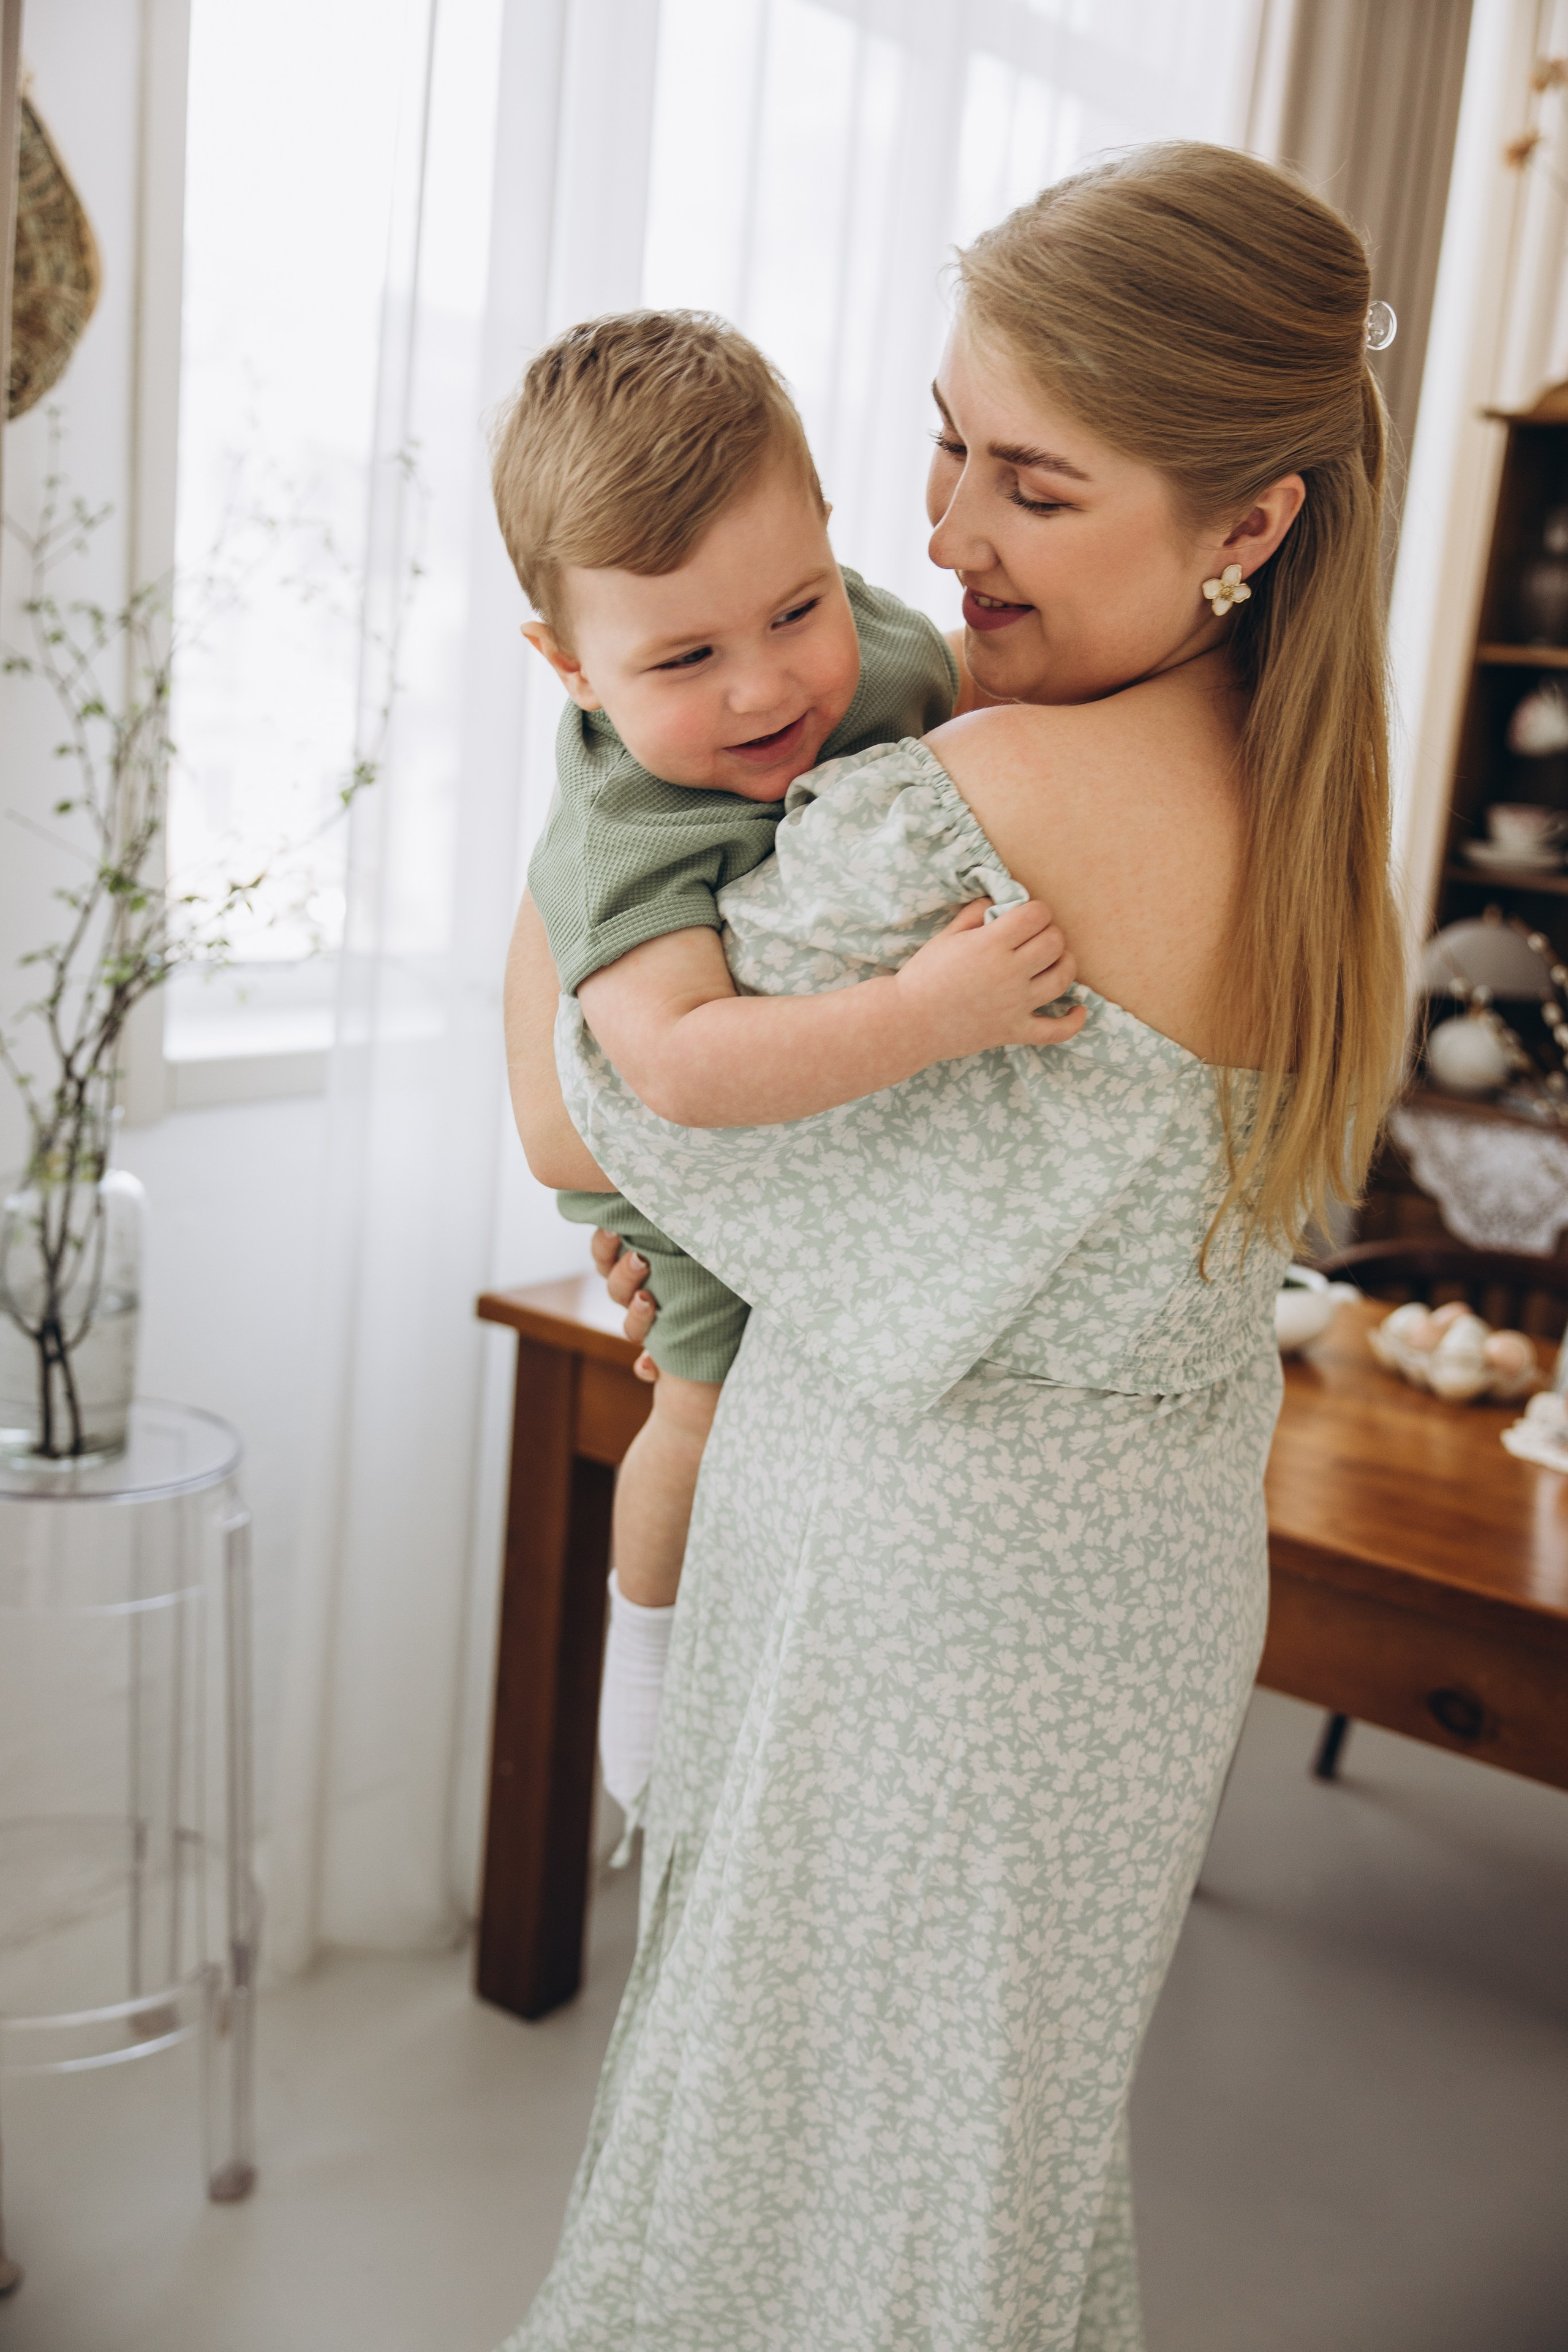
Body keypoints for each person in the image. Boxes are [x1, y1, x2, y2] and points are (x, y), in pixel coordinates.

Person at [499, 142, 1407, 2352]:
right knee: (971, 2178)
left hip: (924, 1601)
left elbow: (578, 1097)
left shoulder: (977, 796)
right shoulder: (1307, 808)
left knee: (790, 2166)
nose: (934, 531)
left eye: (1031, 482)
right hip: (1146, 1585)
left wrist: (593, 752)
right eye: (937, 436)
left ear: (1248, 522)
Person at [495, 311, 1082, 1812]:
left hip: (880, 1189)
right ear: (568, 667)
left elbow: (960, 705)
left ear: (826, 536)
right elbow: (673, 1070)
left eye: (792, 610)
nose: (765, 690)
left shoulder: (869, 641)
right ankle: (646, 1649)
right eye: (684, 657)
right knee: (694, 1406)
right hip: (691, 1190)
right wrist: (930, 1015)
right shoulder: (631, 826)